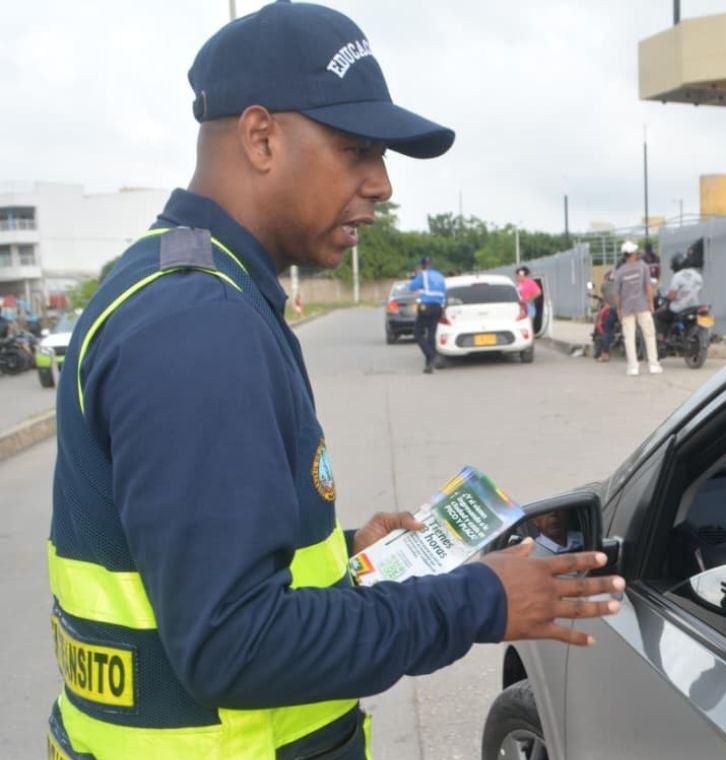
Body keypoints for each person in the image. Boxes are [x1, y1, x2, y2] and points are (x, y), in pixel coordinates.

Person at [44, 4, 624, 758]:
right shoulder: (199, 327)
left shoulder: (179, 282)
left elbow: (190, 569)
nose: (381, 183)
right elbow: (235, 646)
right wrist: (480, 598)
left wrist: (346, 559)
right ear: (261, 138)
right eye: (357, 150)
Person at [614, 239, 661, 376]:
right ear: (633, 253)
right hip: (642, 306)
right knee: (649, 335)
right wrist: (651, 304)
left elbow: (617, 294)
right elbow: (648, 287)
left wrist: (619, 310)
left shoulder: (620, 271)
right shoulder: (643, 267)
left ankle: (633, 367)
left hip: (627, 308)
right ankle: (653, 365)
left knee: (629, 338)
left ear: (624, 255)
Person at [409, 255, 446, 373]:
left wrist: (417, 274)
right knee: (431, 335)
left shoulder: (423, 274)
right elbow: (444, 292)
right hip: (438, 307)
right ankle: (429, 366)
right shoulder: (440, 275)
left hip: (426, 306)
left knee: (418, 333)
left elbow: (412, 287)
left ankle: (432, 355)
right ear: (431, 264)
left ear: (422, 265)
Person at [654, 252, 704, 337]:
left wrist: (666, 298)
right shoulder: (697, 275)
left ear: (676, 265)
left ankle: (662, 337)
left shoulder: (678, 276)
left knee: (658, 315)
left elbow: (672, 295)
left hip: (679, 308)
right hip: (694, 305)